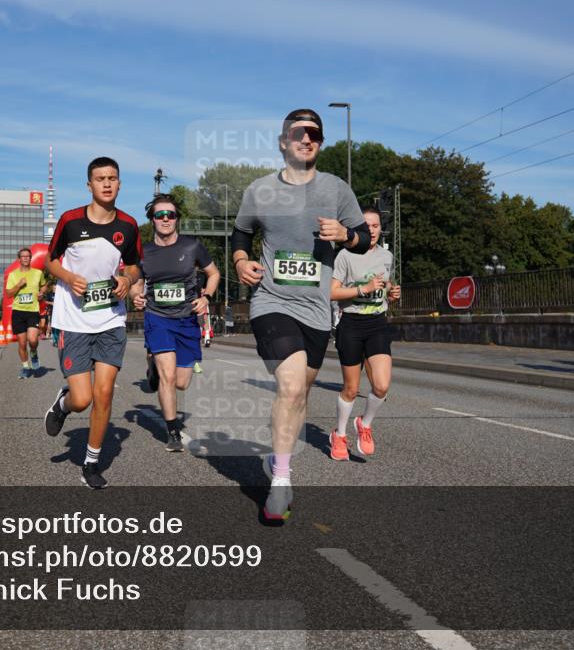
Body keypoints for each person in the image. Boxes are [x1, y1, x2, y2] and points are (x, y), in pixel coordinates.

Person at [231, 108, 369, 521]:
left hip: (316, 311)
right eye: (298, 133)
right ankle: (280, 482)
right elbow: (242, 232)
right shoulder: (259, 190)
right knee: (290, 388)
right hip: (272, 302)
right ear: (282, 141)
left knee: (300, 394)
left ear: (320, 143)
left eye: (314, 134)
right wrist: (240, 259)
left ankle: (277, 458)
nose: (306, 139)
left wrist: (347, 235)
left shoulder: (337, 190)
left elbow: (363, 239)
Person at [43, 157, 142, 489]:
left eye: (113, 178)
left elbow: (133, 266)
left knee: (104, 394)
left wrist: (128, 281)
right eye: (100, 178)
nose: (107, 183)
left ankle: (91, 462)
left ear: (120, 183)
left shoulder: (128, 226)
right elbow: (50, 260)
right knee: (82, 398)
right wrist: (70, 278)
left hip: (111, 318)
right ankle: (63, 402)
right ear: (89, 185)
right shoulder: (71, 221)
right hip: (73, 320)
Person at [130, 193, 220, 452]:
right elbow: (136, 283)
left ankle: (154, 368)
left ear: (177, 219)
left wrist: (207, 297)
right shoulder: (144, 252)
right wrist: (136, 296)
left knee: (182, 382)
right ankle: (172, 431)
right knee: (169, 378)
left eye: (171, 215)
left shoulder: (192, 246)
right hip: (158, 318)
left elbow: (214, 273)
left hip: (187, 319)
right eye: (160, 215)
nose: (166, 219)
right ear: (152, 219)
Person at [329, 206, 400, 460]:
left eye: (375, 226)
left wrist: (391, 291)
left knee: (381, 386)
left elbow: (384, 283)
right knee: (351, 388)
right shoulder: (345, 255)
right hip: (351, 325)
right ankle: (339, 434)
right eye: (366, 225)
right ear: (357, 227)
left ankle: (365, 424)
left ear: (381, 229)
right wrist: (363, 289)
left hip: (377, 323)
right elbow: (332, 292)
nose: (371, 230)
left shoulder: (386, 256)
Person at [6, 247, 47, 379]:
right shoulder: (13, 275)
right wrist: (18, 285)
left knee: (33, 340)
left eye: (28, 256)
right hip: (18, 311)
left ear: (30, 258)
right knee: (22, 343)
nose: (26, 258)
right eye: (23, 256)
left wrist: (42, 293)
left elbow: (44, 285)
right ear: (19, 259)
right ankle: (25, 367)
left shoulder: (38, 273)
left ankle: (34, 353)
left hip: (32, 311)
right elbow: (8, 293)